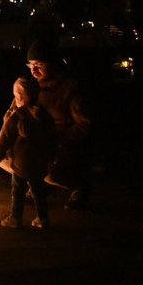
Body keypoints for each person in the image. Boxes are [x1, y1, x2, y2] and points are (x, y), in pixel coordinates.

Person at [25, 39, 93, 209]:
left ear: (53, 64)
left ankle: (80, 185)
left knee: (49, 172)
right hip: (36, 143)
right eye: (30, 65)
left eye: (39, 64)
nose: (33, 70)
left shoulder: (69, 88)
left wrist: (56, 138)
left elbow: (85, 125)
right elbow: (13, 114)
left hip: (62, 147)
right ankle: (40, 184)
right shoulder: (31, 87)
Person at [0, 76, 57, 228]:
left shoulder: (17, 116)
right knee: (38, 192)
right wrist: (51, 156)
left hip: (21, 164)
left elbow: (4, 137)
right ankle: (43, 219)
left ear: (19, 97)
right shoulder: (44, 116)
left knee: (17, 192)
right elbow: (52, 137)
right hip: (39, 163)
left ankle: (16, 218)